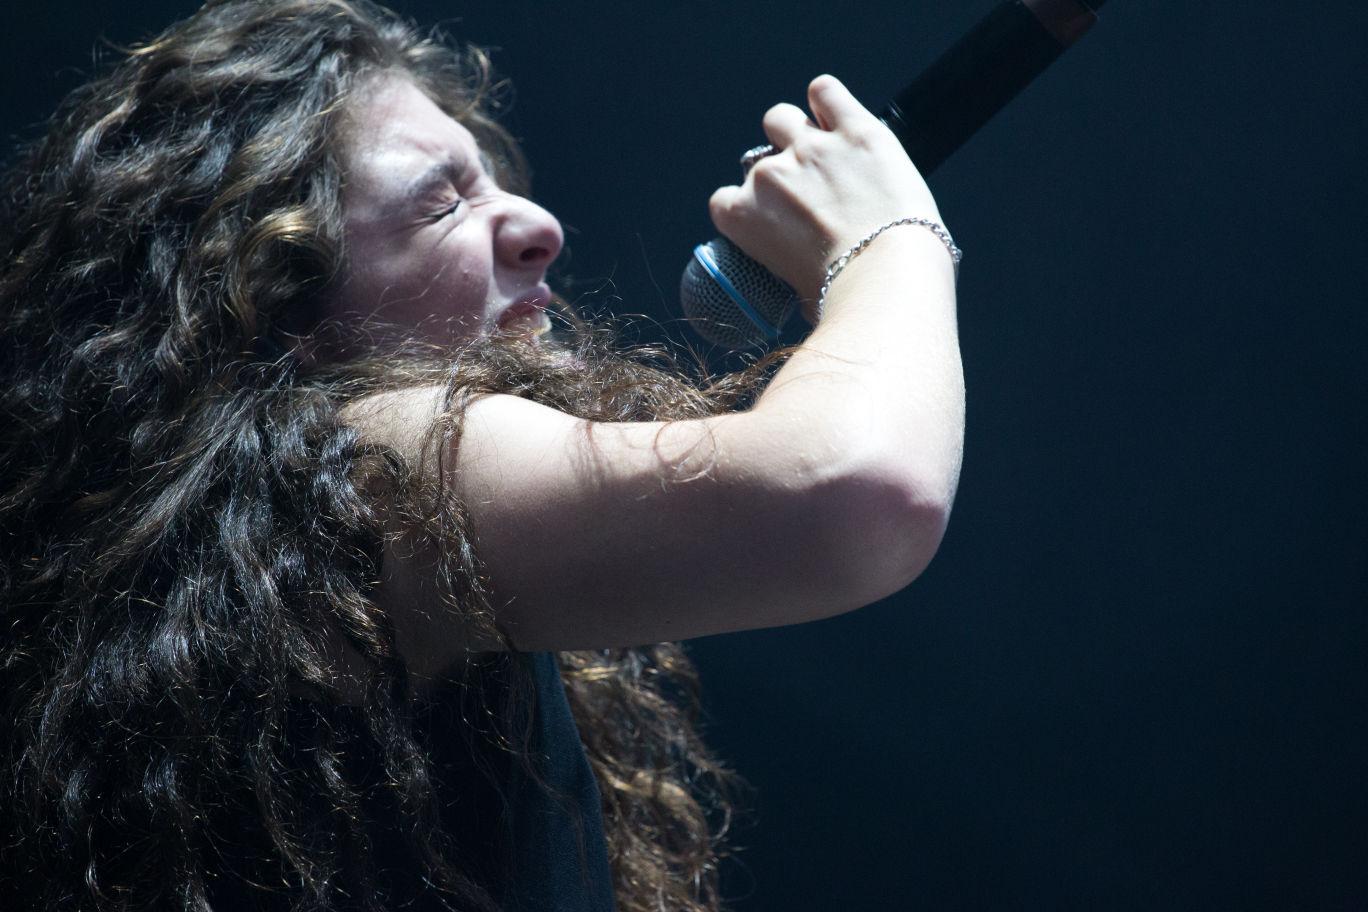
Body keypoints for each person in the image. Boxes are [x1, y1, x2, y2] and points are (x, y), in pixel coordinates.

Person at [0, 0, 964, 909]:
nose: (540, 227)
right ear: (271, 294)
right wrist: (886, 235)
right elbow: (857, 494)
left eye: (495, 182)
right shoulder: (363, 460)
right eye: (442, 204)